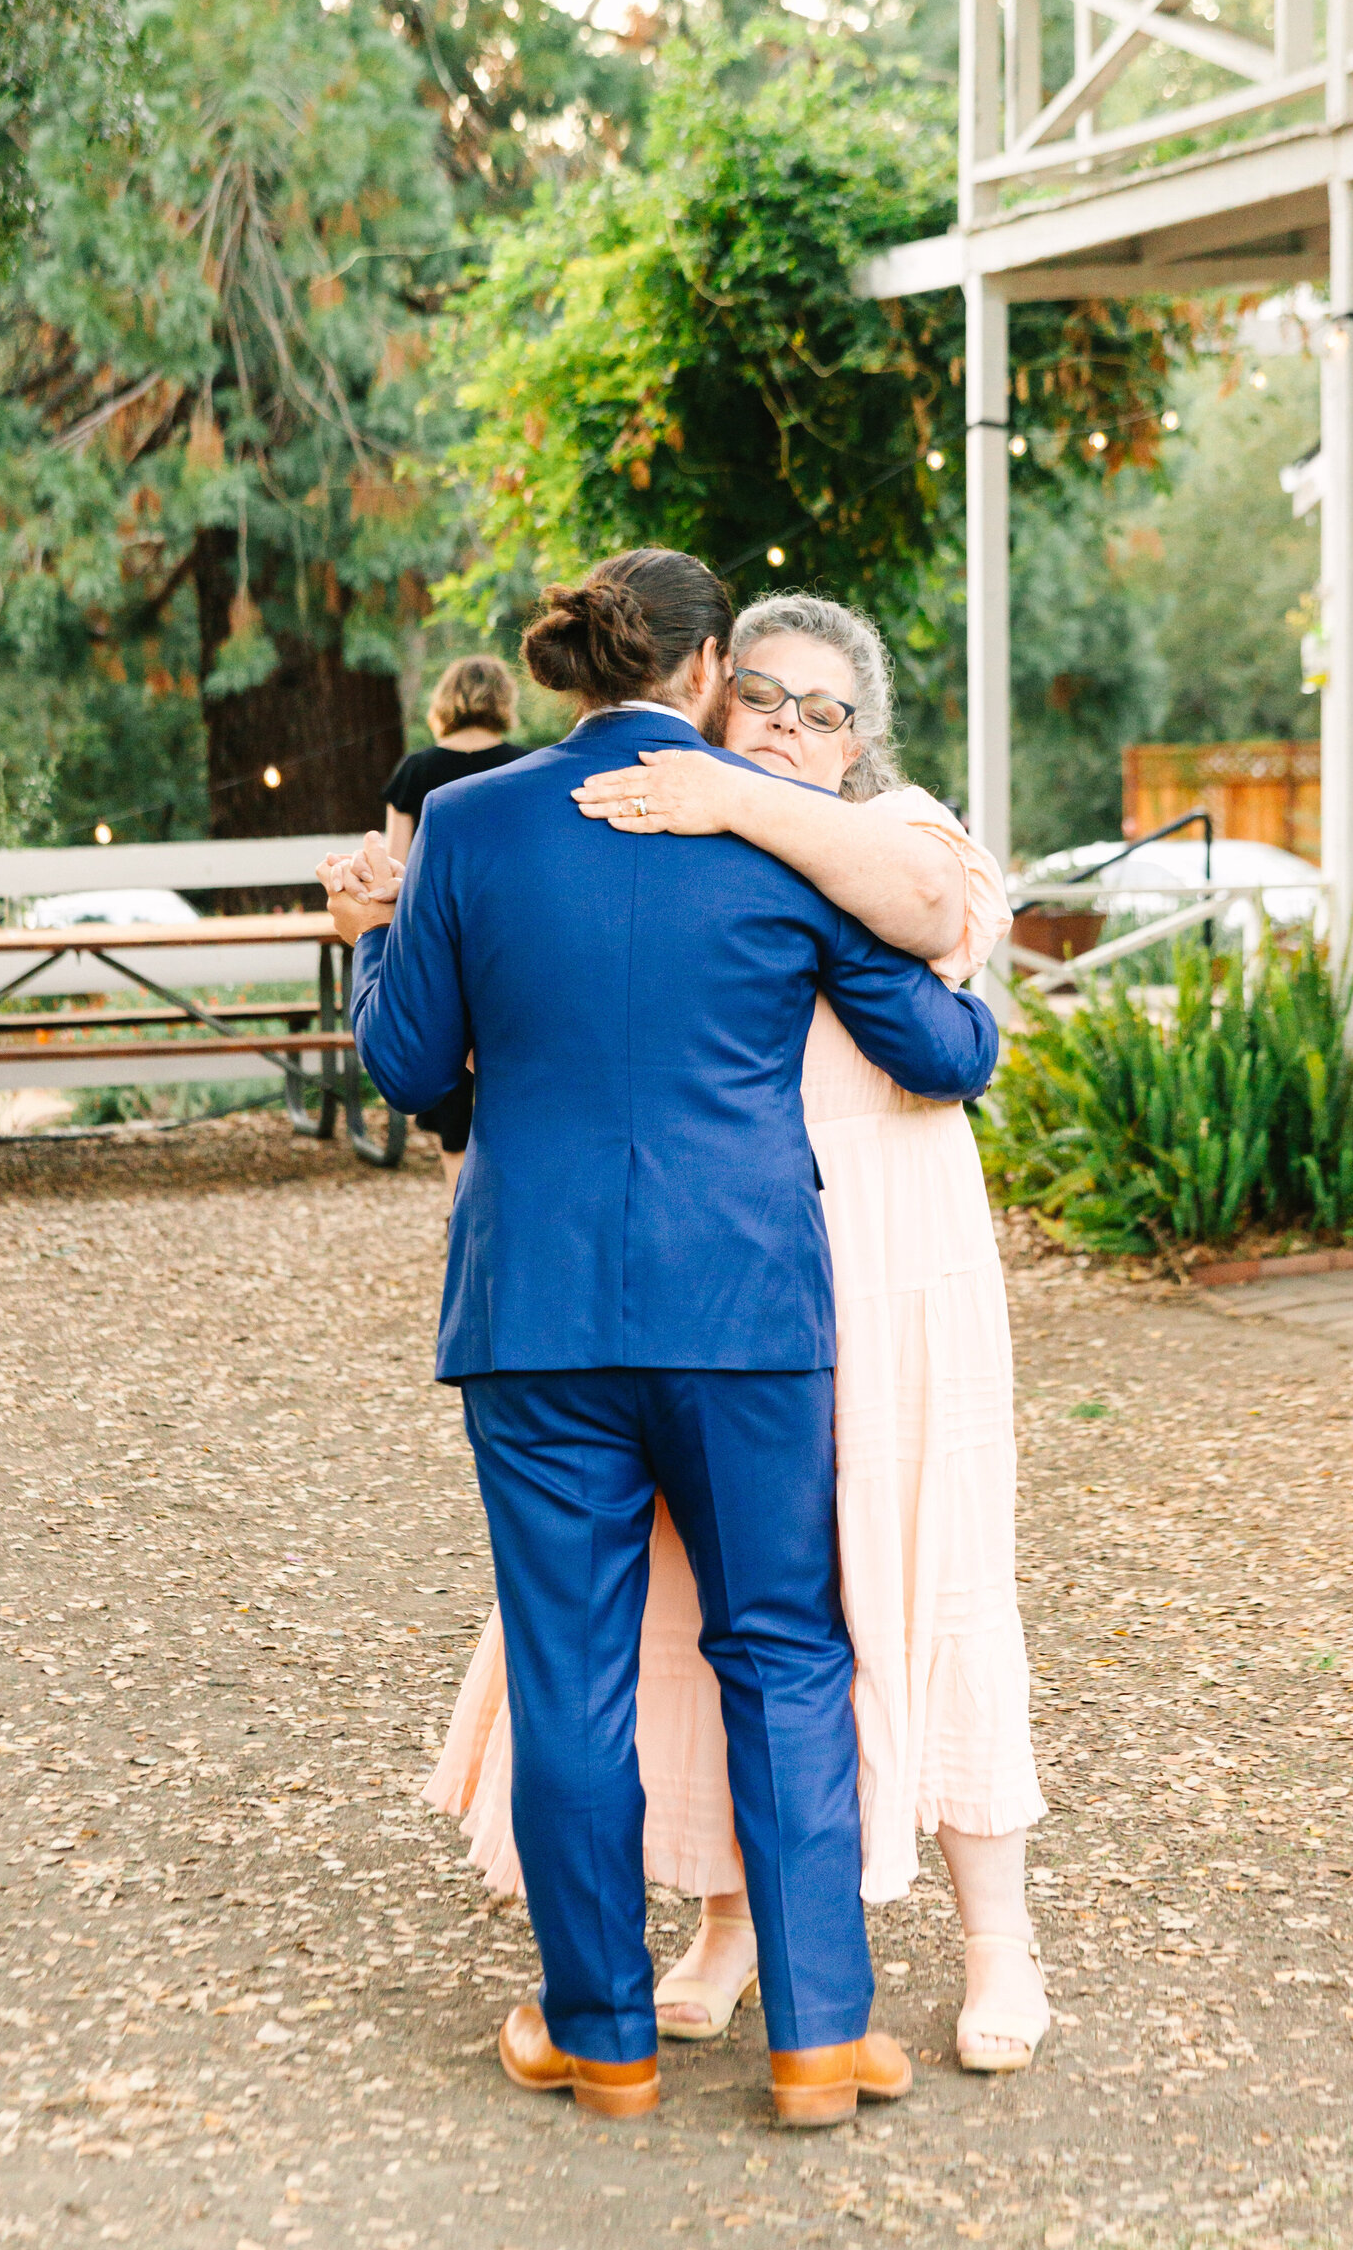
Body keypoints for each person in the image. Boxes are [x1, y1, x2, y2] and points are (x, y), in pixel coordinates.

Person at [318, 550, 998, 2127]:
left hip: (535, 1311)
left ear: (575, 670)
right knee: (784, 1652)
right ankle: (820, 2039)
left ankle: (603, 2037)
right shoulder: (781, 838)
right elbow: (932, 1044)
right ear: (707, 674)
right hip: (748, 1307)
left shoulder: (475, 822)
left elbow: (414, 1063)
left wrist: (373, 927)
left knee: (570, 1670)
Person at [381, 656, 527, 1203]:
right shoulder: (528, 765)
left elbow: (396, 866)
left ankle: (457, 1204)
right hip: (511, 941)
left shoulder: (416, 772)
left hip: (441, 940)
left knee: (449, 1072)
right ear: (502, 702)